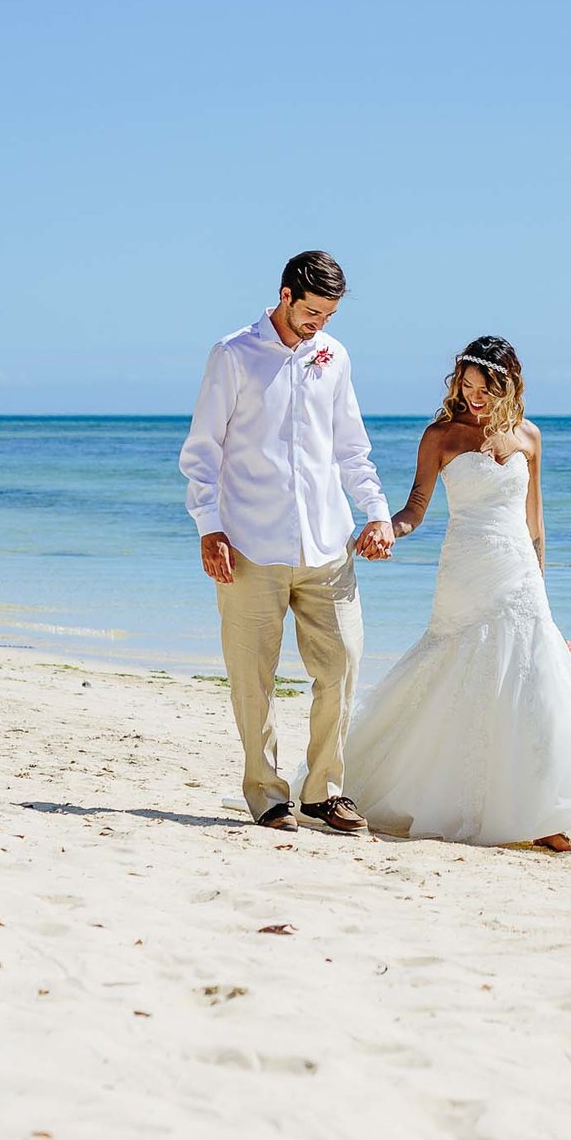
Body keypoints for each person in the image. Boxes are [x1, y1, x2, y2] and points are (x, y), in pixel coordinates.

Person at [340, 336, 571, 851]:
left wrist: (545, 600)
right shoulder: (441, 436)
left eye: (485, 388)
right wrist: (387, 529)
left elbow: (536, 526)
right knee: (457, 674)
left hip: (519, 571)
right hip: (465, 569)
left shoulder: (529, 438)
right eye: (467, 385)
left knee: (533, 683)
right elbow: (415, 508)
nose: (473, 396)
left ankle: (543, 817)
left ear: (509, 386)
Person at [178, 250, 396, 832]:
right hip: (250, 543)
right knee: (253, 675)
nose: (317, 325)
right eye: (310, 313)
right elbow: (203, 454)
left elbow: (351, 446)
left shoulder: (335, 357)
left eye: (327, 316)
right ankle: (268, 793)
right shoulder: (233, 354)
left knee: (345, 663)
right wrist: (210, 528)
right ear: (284, 294)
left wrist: (375, 511)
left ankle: (325, 789)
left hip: (327, 542)